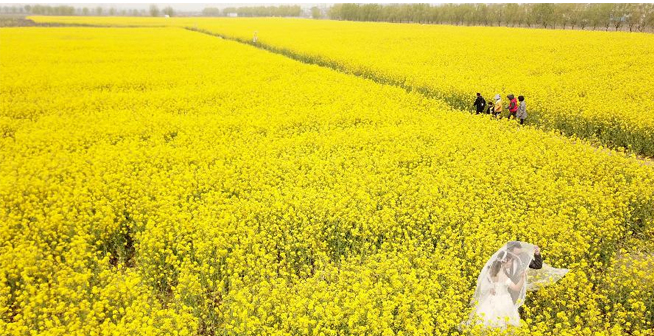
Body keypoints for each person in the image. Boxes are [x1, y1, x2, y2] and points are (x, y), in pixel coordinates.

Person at [470, 248, 526, 329]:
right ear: (504, 262)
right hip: (504, 301)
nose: (511, 263)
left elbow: (484, 284)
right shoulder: (503, 276)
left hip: (490, 300)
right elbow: (516, 288)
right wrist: (522, 278)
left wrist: (490, 288)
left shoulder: (491, 272)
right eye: (510, 261)